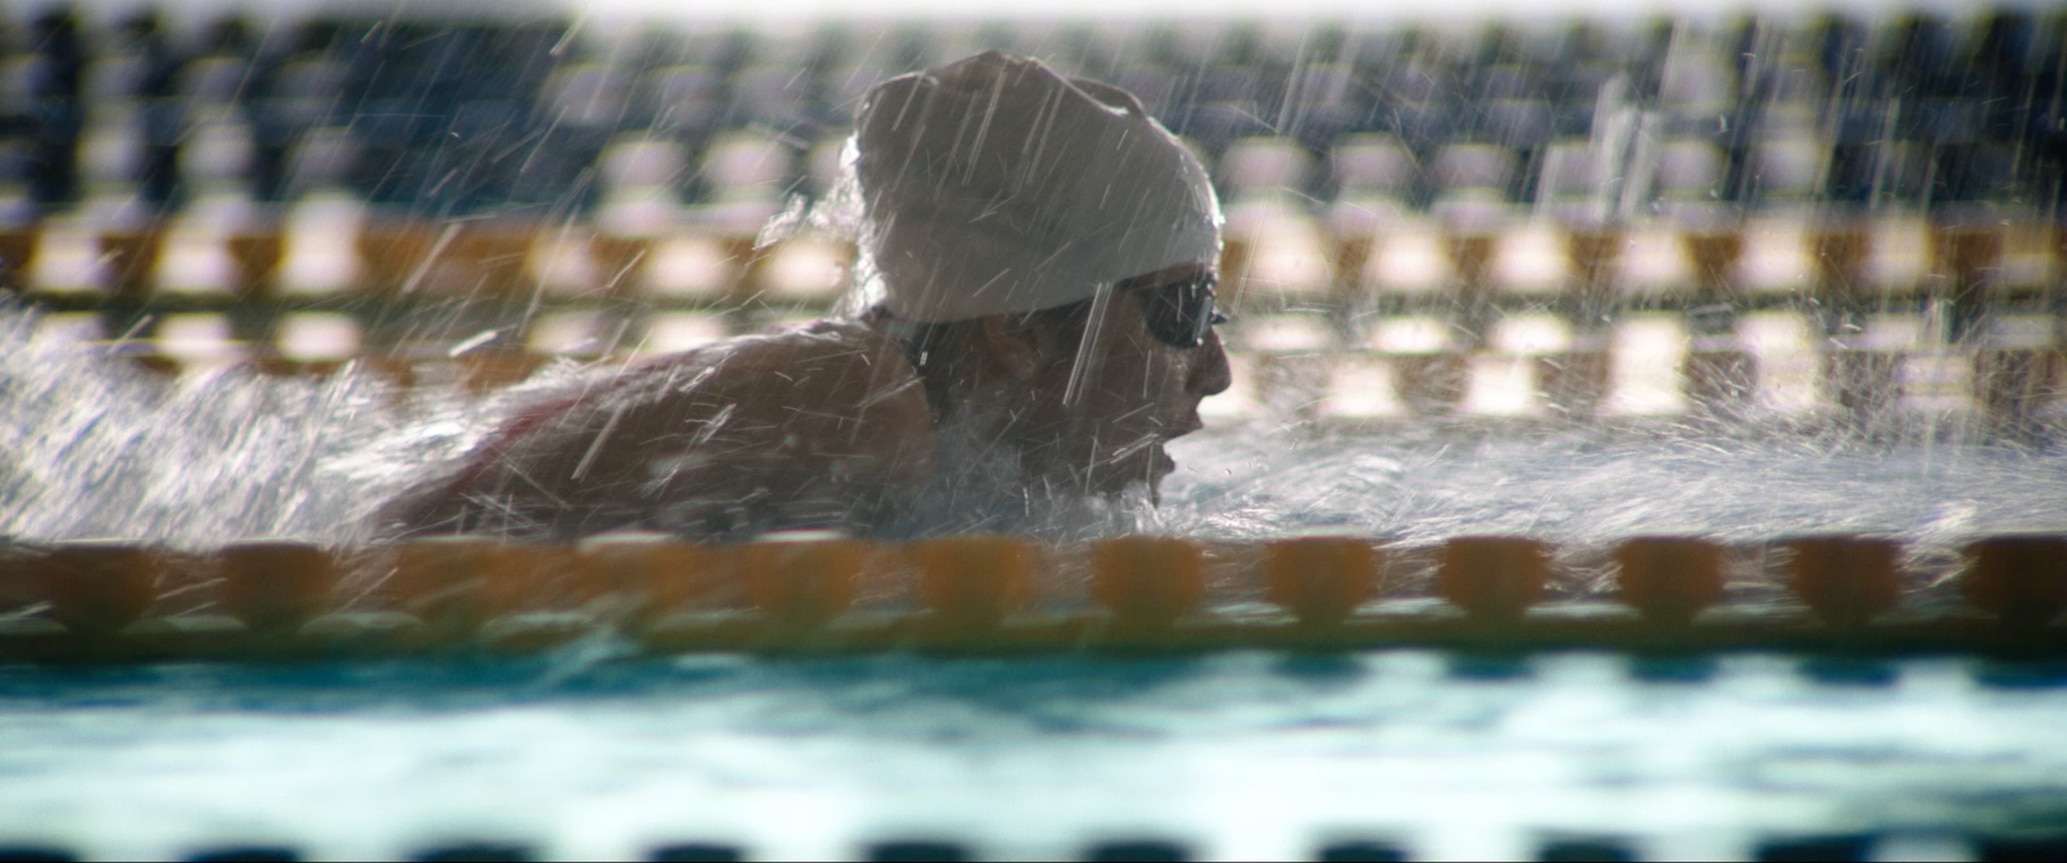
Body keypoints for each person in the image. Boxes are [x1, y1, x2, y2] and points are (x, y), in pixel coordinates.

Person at [382, 51, 1232, 541]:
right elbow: (404, 556)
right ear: (1015, 327)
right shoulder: (855, 404)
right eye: (1184, 314)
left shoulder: (937, 428)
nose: (1218, 371)